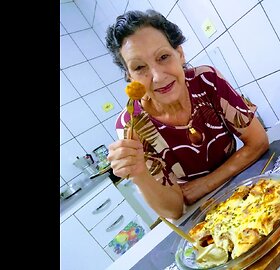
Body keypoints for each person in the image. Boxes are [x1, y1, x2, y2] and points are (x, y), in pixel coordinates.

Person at [105, 9, 269, 220]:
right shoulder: (132, 125)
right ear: (130, 76)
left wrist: (205, 184)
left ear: (180, 54)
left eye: (163, 57)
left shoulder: (206, 80)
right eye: (139, 67)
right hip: (202, 213)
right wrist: (139, 174)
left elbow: (258, 142)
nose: (157, 77)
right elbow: (174, 210)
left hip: (249, 178)